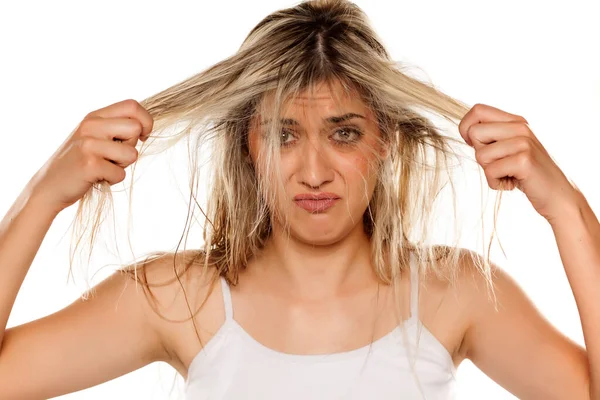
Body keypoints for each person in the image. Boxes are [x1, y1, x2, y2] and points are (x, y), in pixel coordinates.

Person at [0, 0, 596, 398]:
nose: (314, 172)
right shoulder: (178, 299)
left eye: (344, 133)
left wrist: (565, 208)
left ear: (384, 140)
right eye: (285, 134)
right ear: (248, 145)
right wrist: (42, 194)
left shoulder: (454, 292)